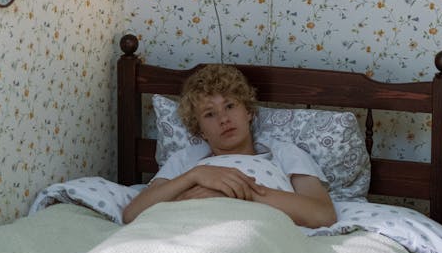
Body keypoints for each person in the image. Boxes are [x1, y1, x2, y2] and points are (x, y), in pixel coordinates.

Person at [122, 63, 337, 228]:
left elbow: (323, 215)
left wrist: (239, 192)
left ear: (249, 111)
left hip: (256, 230)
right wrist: (195, 176)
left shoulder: (283, 153)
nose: (223, 119)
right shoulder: (187, 159)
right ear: (200, 130)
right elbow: (132, 215)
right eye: (209, 114)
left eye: (230, 106)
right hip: (187, 230)